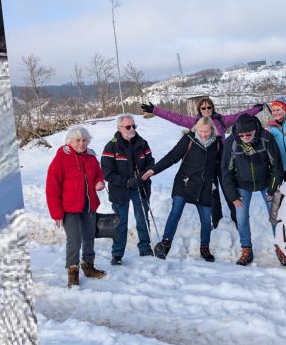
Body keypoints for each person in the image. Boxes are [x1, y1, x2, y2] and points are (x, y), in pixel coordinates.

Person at [141, 116, 224, 262]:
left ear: (212, 129)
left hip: (204, 186)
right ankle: (165, 244)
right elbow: (172, 157)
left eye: (206, 131)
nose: (203, 134)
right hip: (184, 183)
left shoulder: (217, 144)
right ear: (196, 129)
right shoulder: (189, 140)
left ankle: (205, 247)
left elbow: (221, 167)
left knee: (206, 219)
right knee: (176, 211)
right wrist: (154, 170)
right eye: (200, 131)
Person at [45, 126, 107, 287]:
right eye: (77, 140)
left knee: (88, 236)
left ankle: (88, 266)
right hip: (69, 207)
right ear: (70, 142)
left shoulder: (91, 157)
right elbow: (52, 186)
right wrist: (56, 213)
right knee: (74, 239)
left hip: (89, 205)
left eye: (84, 140)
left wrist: (99, 182)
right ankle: (73, 271)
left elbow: (98, 174)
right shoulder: (61, 159)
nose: (81, 143)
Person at [221, 113, 284, 266]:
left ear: (255, 130)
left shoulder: (266, 138)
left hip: (266, 181)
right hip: (242, 184)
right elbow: (225, 171)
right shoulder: (231, 142)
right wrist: (232, 196)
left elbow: (277, 166)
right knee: (241, 218)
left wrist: (272, 189)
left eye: (248, 134)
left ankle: (280, 246)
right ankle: (246, 249)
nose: (244, 137)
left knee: (276, 215)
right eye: (240, 134)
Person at [101, 114, 155, 265]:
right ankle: (117, 254)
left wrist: (143, 175)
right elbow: (107, 172)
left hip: (139, 187)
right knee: (120, 222)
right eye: (128, 127)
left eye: (133, 126)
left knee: (142, 219)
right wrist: (126, 182)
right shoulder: (111, 146)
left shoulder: (142, 143)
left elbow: (151, 163)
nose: (132, 129)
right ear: (119, 128)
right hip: (120, 190)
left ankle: (145, 248)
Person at [141, 96, 264, 137]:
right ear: (200, 110)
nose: (206, 110)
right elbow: (175, 117)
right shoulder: (194, 121)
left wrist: (256, 109)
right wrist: (155, 110)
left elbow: (240, 115)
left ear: (212, 108)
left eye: (209, 107)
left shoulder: (222, 120)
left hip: (221, 156)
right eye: (203, 108)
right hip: (203, 157)